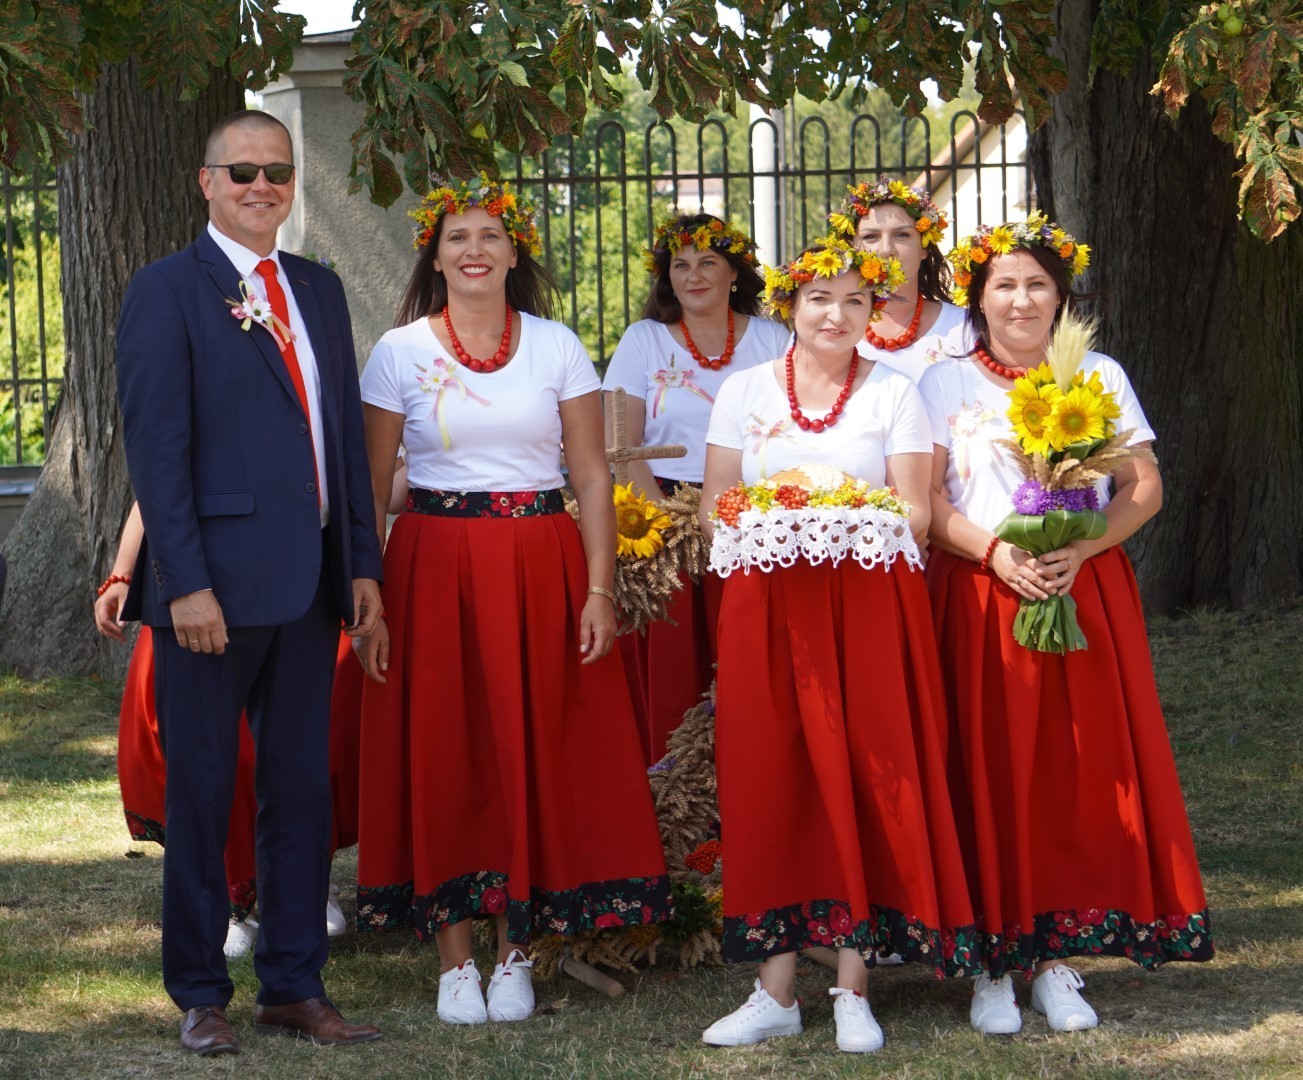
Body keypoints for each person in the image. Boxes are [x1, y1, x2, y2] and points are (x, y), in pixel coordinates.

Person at [352, 175, 672, 1026]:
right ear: (434, 255)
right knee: (445, 746)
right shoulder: (397, 353)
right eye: (457, 236)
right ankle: (455, 960)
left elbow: (591, 476)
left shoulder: (556, 345)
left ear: (513, 251)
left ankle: (516, 951)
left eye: (490, 235)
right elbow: (371, 486)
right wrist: (368, 592)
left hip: (539, 559)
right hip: (432, 562)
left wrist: (598, 587)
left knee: (529, 743)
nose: (474, 250)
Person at [114, 109, 385, 1056]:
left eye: (277, 170)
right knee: (201, 794)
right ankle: (200, 992)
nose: (261, 186)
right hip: (212, 596)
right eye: (242, 172)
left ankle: (294, 985)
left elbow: (340, 439)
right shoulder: (165, 290)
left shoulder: (318, 287)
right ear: (207, 182)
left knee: (301, 792)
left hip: (309, 588)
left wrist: (360, 563)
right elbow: (156, 451)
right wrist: (183, 583)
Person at [918, 215, 1213, 1036]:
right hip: (980, 592)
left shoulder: (1098, 374)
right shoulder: (940, 384)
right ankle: (989, 964)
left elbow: (1143, 486)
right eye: (1003, 285)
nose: (1020, 300)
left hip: (1080, 589)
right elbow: (924, 498)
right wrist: (993, 553)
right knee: (988, 767)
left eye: (1036, 285)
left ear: (1060, 297)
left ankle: (1053, 958)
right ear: (978, 297)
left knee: (1069, 769)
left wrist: (1082, 549)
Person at [697, 238, 981, 1054]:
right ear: (790, 304)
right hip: (766, 608)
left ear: (871, 312)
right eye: (820, 298)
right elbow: (717, 500)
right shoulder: (744, 390)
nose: (836, 314)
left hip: (864, 609)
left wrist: (839, 513)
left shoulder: (894, 393)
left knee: (865, 776)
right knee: (771, 778)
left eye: (855, 301)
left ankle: (853, 986)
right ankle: (774, 990)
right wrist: (773, 517)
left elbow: (916, 512)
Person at [95, 475, 406, 955]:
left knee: (311, 755)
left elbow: (373, 477)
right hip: (210, 588)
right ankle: (229, 899)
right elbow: (157, 484)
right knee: (223, 757)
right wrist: (121, 574)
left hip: (306, 588)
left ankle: (304, 887)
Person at [601, 212, 789, 764]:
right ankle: (673, 784)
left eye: (708, 262)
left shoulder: (774, 338)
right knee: (676, 665)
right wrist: (672, 526)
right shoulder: (643, 340)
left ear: (735, 272)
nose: (694, 275)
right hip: (664, 519)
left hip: (752, 517)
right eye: (680, 265)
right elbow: (622, 442)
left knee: (751, 660)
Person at [830, 178, 966, 384]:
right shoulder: (827, 326)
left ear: (924, 247)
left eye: (901, 235)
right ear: (851, 249)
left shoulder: (963, 327)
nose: (886, 250)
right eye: (870, 237)